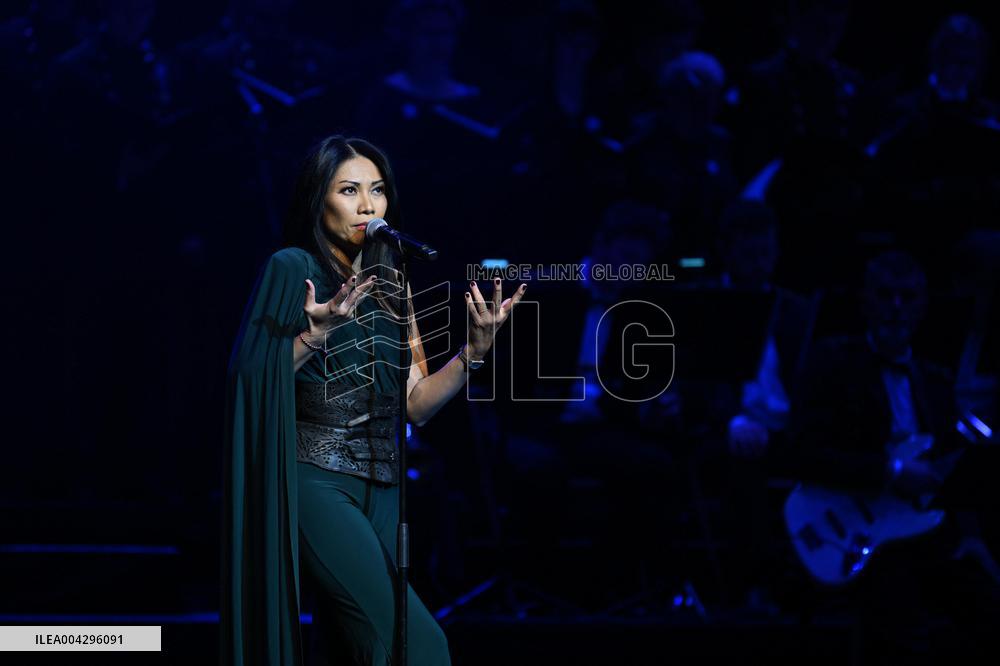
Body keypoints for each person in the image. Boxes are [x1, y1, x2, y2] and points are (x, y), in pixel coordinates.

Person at [220, 135, 526, 665]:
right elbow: (250, 375)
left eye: (378, 190)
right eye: (349, 189)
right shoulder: (293, 268)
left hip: (383, 486)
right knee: (420, 647)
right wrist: (313, 336)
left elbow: (416, 405)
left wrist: (472, 353)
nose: (368, 205)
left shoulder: (393, 284)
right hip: (315, 478)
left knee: (364, 651)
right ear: (320, 200)